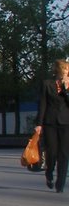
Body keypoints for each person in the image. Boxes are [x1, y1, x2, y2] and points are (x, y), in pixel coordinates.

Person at [35, 59, 69, 192]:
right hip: (50, 122)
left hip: (66, 122)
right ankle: (49, 173)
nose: (66, 72)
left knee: (64, 154)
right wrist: (39, 124)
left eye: (67, 69)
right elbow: (42, 104)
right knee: (52, 152)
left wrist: (66, 90)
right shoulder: (47, 84)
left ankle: (60, 184)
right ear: (58, 70)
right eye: (64, 69)